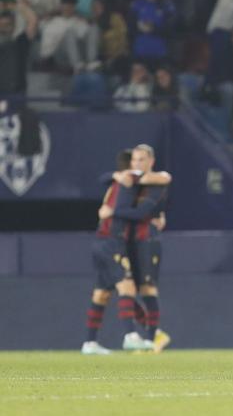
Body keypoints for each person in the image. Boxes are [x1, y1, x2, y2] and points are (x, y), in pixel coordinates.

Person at [81, 150, 170, 354]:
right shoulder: (128, 180)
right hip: (112, 241)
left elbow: (164, 177)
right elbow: (136, 210)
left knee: (102, 293)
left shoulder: (120, 180)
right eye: (135, 160)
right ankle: (132, 336)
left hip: (103, 241)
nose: (137, 164)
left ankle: (90, 342)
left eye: (141, 160)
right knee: (128, 287)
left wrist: (159, 212)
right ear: (129, 165)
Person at [39, 0, 99, 73]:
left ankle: (92, 62)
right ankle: (77, 65)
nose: (69, 8)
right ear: (61, 6)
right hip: (58, 56)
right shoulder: (52, 21)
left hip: (79, 53)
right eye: (67, 5)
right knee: (69, 33)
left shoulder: (79, 21)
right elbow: (46, 49)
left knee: (94, 27)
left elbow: (87, 38)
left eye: (72, 6)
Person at [0, 0, 37, 95]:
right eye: (2, 25)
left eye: (8, 25)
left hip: (17, 93)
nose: (5, 28)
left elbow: (32, 20)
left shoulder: (21, 42)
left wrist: (13, 5)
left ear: (13, 26)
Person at [128, 0, 176, 65]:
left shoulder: (167, 5)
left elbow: (171, 29)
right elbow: (130, 27)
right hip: (139, 52)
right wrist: (139, 28)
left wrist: (153, 29)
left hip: (160, 53)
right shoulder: (137, 3)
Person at [90, 0, 128, 75]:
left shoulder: (114, 18)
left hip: (117, 56)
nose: (96, 9)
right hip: (100, 57)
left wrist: (105, 36)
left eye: (98, 6)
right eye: (94, 7)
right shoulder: (92, 23)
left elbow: (122, 34)